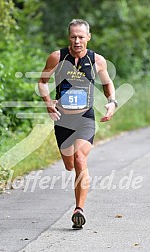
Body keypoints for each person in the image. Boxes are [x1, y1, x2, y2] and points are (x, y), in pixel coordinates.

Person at [38, 19, 117, 229]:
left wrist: (112, 102)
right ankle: (77, 199)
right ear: (68, 37)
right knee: (69, 164)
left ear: (88, 37)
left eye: (81, 37)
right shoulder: (57, 57)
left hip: (85, 119)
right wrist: (48, 103)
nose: (77, 41)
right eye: (73, 36)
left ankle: (78, 210)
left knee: (80, 158)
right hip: (63, 120)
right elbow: (42, 82)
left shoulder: (97, 60)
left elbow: (108, 83)